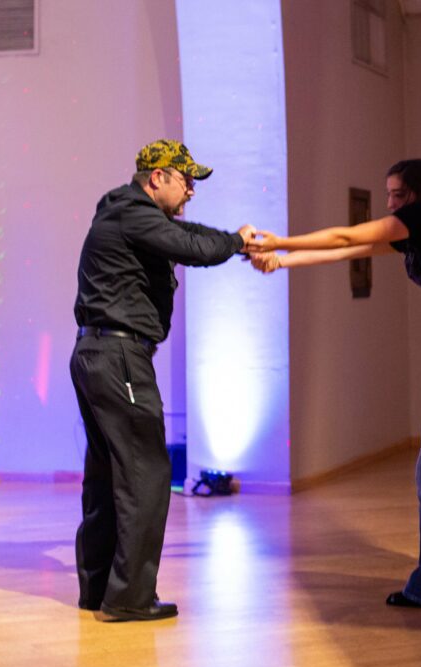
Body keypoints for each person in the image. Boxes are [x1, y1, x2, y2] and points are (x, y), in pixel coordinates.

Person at [247, 159, 421, 608]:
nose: (390, 204)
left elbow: (347, 236)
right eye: (388, 195)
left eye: (398, 195)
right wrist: (282, 262)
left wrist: (278, 239)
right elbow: (348, 251)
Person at [71, 139, 255, 621]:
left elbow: (186, 232)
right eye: (185, 178)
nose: (192, 188)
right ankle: (129, 598)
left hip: (98, 353)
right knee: (146, 474)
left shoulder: (123, 213)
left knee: (109, 473)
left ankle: (99, 591)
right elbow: (192, 246)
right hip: (120, 356)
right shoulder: (132, 214)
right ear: (157, 177)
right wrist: (237, 241)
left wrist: (233, 243)